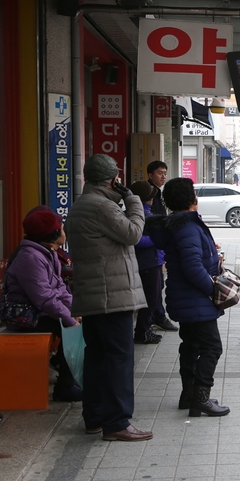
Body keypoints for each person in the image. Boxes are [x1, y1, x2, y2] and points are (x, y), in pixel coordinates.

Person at [64, 154, 152, 442]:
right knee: (118, 359)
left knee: (98, 357)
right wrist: (134, 201)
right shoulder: (102, 207)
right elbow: (133, 233)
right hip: (111, 296)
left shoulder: (81, 205)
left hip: (93, 295)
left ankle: (95, 417)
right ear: (113, 178)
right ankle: (117, 422)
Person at [147, 177, 230, 417]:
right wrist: (212, 289)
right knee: (212, 347)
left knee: (191, 346)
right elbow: (193, 267)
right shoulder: (188, 227)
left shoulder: (179, 225)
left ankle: (189, 395)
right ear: (192, 199)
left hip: (185, 298)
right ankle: (201, 398)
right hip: (195, 299)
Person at [2, 210, 82, 402]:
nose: (65, 232)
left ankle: (69, 378)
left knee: (77, 324)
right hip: (24, 316)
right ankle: (65, 387)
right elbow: (44, 298)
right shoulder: (31, 258)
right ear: (53, 235)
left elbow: (60, 288)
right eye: (61, 228)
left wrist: (75, 311)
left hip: (40, 312)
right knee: (69, 330)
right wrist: (70, 319)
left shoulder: (46, 252)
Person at [129, 181, 164, 345]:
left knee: (152, 297)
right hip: (149, 262)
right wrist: (157, 240)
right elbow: (135, 240)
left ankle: (145, 329)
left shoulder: (137, 214)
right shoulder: (141, 216)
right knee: (150, 298)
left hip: (152, 261)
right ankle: (142, 331)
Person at [146, 160, 178, 332]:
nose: (163, 176)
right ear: (150, 175)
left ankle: (153, 317)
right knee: (155, 286)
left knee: (157, 285)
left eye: (165, 173)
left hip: (156, 248)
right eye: (159, 173)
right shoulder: (149, 194)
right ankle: (156, 317)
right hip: (151, 248)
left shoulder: (158, 193)